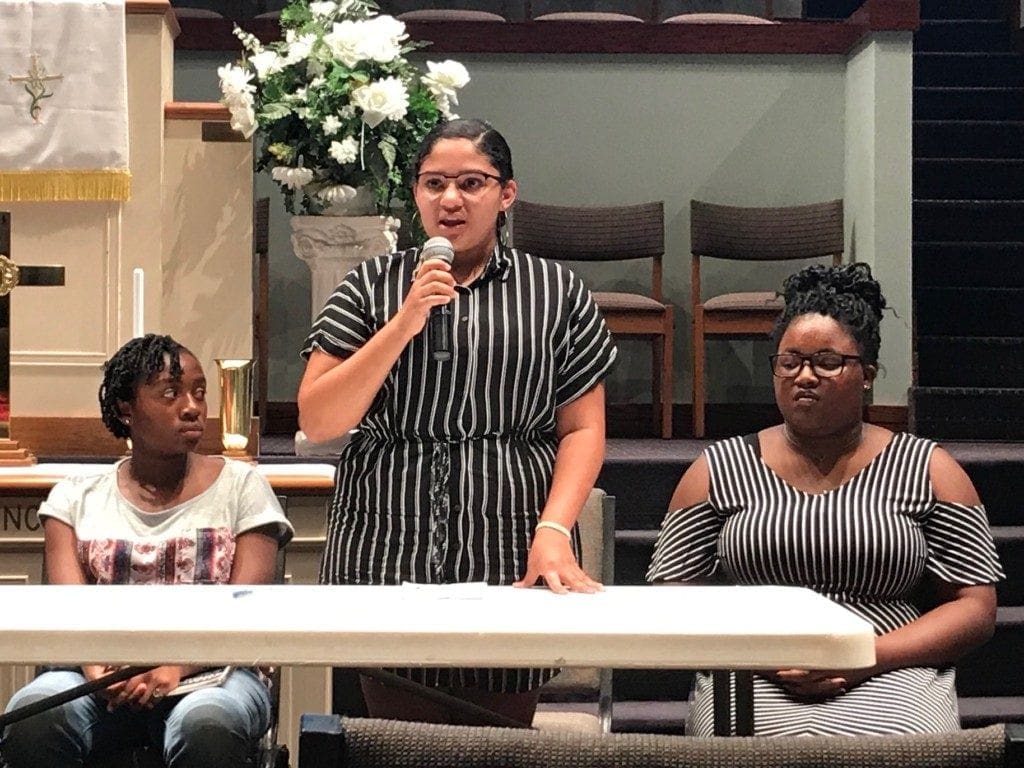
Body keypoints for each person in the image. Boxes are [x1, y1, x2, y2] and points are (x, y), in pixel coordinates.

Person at [297, 118, 617, 725]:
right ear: (415, 193)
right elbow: (319, 418)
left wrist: (554, 528)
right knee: (394, 742)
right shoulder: (370, 284)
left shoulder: (557, 290)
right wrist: (404, 321)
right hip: (384, 539)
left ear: (506, 194)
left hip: (511, 533)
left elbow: (582, 428)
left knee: (495, 742)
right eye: (433, 183)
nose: (450, 199)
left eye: (471, 183)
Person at [647, 262, 1003, 736]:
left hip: (891, 666)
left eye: (827, 362)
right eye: (789, 361)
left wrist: (865, 655)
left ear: (869, 373)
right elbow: (671, 593)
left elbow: (975, 606)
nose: (804, 376)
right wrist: (756, 650)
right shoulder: (716, 469)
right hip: (750, 671)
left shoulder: (932, 469)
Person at [0, 334, 294, 767]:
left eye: (199, 392)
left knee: (207, 724)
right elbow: (70, 610)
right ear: (126, 408)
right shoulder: (74, 498)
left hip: (215, 672)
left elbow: (245, 612)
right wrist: (97, 666)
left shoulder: (243, 488)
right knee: (37, 714)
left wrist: (173, 666)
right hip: (94, 673)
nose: (192, 407)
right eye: (171, 394)